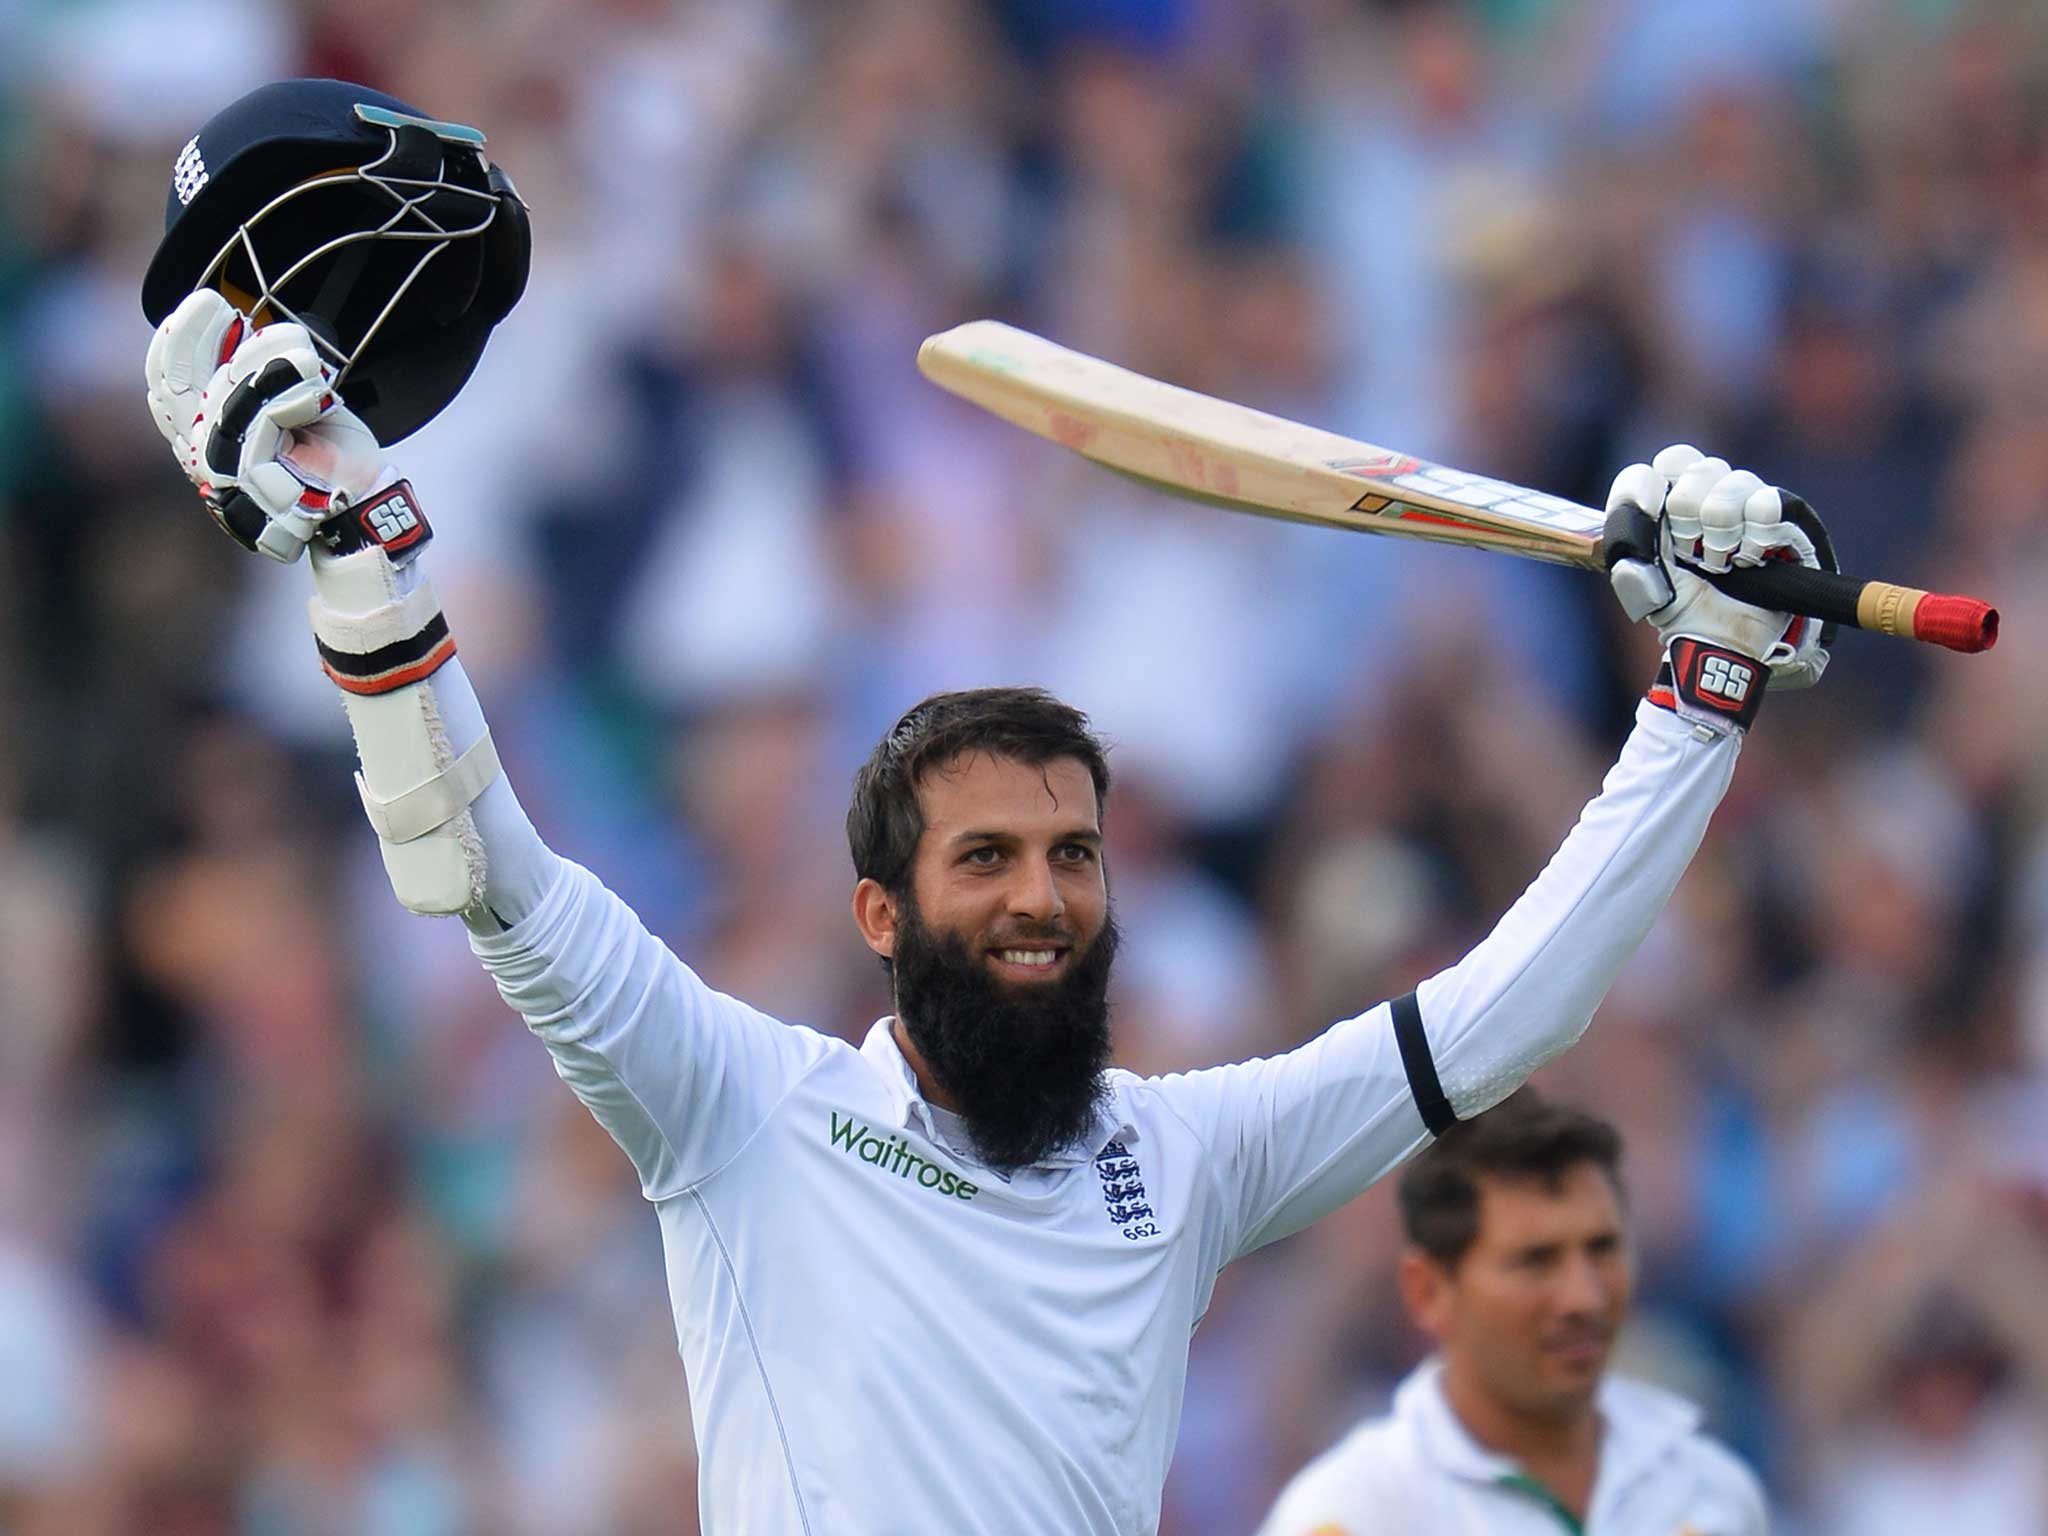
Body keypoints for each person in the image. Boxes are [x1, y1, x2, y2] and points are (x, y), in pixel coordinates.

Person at [140, 80, 1833, 1536]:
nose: (1041, 897)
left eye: (1071, 855)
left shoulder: (1180, 1161)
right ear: (879, 917)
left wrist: (1699, 699)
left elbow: (1509, 1007)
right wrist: (364, 574)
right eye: (988, 859)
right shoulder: (736, 1111)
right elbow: (485, 874)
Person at [1257, 1090, 1767, 1534]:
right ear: (1429, 1289)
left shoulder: (1713, 1495)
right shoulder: (1355, 1515)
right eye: (1535, 1261)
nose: (1584, 1297)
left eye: (1603, 1248)